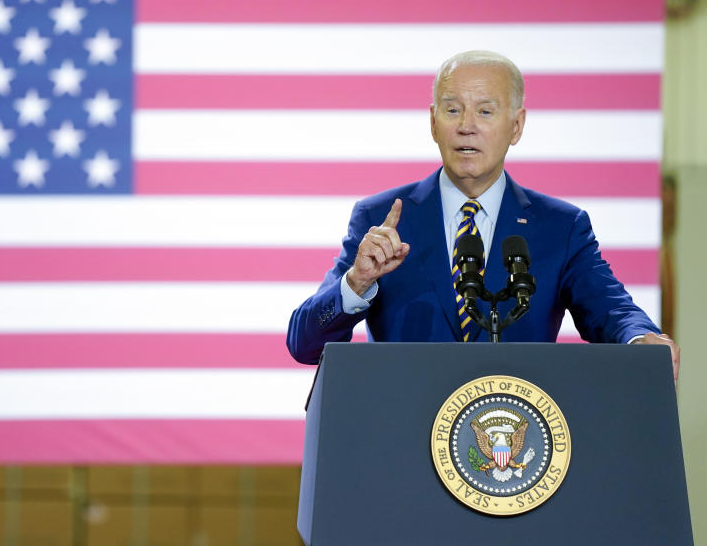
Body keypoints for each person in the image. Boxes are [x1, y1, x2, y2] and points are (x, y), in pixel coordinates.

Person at [286, 50, 679, 381]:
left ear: (517, 126)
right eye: (452, 110)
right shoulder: (381, 218)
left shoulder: (560, 227)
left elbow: (612, 309)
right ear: (433, 123)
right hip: (401, 446)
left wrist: (640, 339)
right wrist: (357, 283)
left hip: (513, 450)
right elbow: (304, 344)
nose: (467, 127)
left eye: (485, 111)